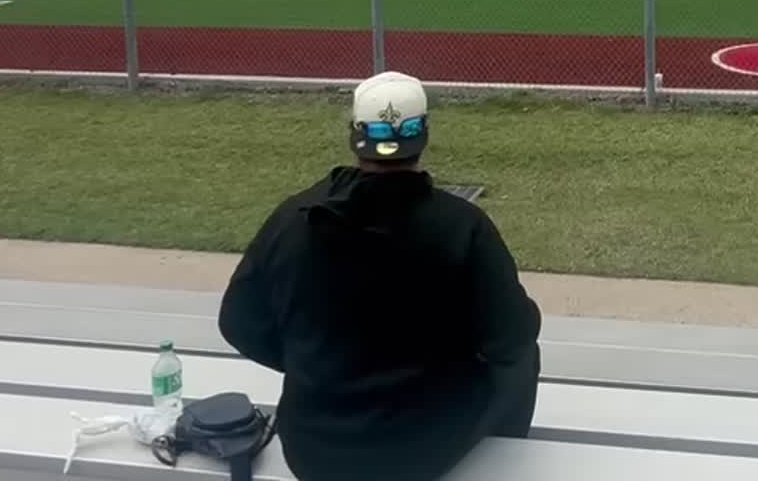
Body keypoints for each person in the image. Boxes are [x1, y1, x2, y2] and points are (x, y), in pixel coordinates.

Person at [218, 71, 541, 481]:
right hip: (423, 452)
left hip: (315, 450)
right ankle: (511, 460)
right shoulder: (463, 226)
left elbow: (238, 323)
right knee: (523, 351)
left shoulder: (292, 219)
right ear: (422, 135)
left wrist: (312, 365)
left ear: (354, 135)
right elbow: (512, 339)